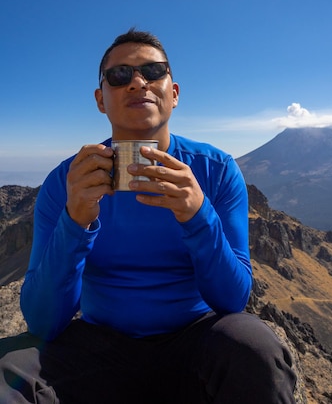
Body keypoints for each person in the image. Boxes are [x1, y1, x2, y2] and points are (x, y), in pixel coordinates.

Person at [0, 28, 297, 403]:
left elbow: (233, 300)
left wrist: (197, 214)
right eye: (119, 75)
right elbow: (43, 320)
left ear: (173, 93)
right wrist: (75, 221)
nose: (138, 82)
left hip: (196, 339)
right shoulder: (66, 182)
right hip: (99, 346)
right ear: (101, 100)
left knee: (256, 351)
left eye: (153, 72)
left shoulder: (216, 170)